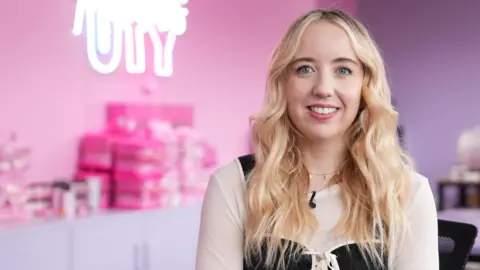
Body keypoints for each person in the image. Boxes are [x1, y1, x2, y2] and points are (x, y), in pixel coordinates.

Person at [195, 8, 438, 270]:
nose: (323, 88)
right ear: (283, 83)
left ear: (365, 86)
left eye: (343, 70)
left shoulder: (406, 192)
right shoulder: (234, 185)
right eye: (305, 69)